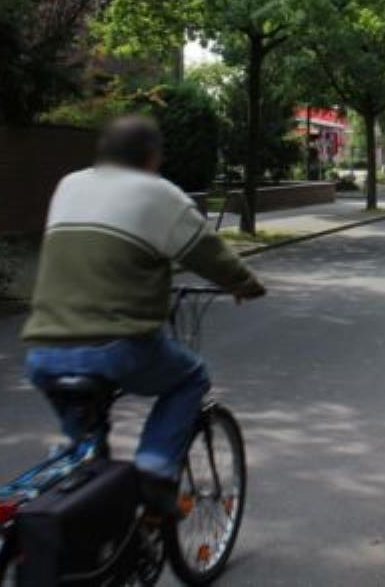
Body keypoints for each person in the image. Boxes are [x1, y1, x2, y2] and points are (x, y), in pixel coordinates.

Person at [21, 115, 265, 515]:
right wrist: (245, 284)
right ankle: (155, 469)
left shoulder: (69, 185)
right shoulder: (158, 194)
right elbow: (207, 253)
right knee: (190, 377)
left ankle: (81, 493)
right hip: (115, 346)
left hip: (43, 352)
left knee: (84, 450)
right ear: (152, 156)